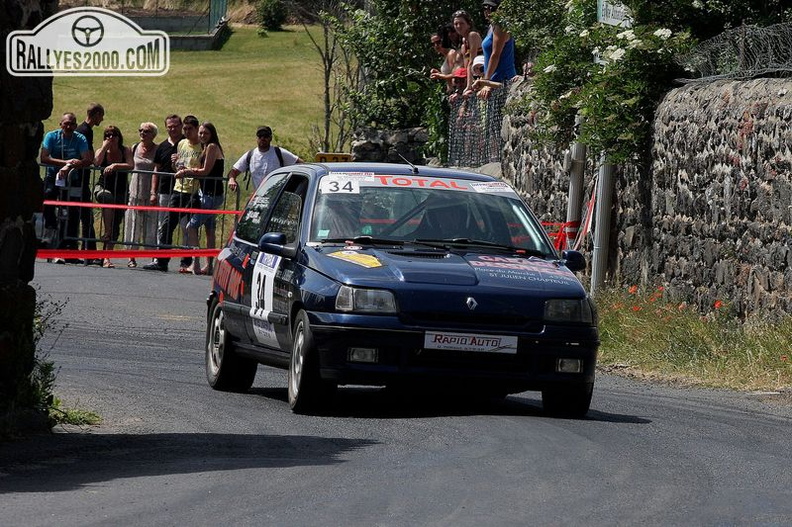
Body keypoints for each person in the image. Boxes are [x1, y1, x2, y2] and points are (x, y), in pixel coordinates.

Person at [144, 115, 202, 272]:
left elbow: (205, 168)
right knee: (166, 226)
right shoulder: (180, 144)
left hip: (194, 192)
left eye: (188, 128)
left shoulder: (202, 146)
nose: (185, 131)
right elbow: (176, 168)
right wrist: (175, 163)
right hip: (176, 190)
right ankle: (161, 261)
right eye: (186, 129)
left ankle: (186, 262)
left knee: (188, 227)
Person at [40, 112, 92, 264]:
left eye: (72, 124)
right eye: (66, 123)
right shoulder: (51, 136)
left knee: (72, 213)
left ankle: (70, 249)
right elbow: (44, 157)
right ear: (60, 124)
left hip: (72, 181)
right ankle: (50, 240)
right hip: (52, 179)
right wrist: (66, 163)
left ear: (76, 126)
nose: (69, 127)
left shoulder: (80, 138)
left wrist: (69, 165)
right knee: (48, 204)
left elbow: (87, 159)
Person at [178, 122, 225, 275]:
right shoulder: (206, 148)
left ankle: (196, 263)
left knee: (191, 227)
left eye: (206, 133)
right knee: (209, 229)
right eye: (201, 133)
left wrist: (186, 172)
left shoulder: (212, 147)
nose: (202, 136)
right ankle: (209, 265)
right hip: (206, 193)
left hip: (211, 195)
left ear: (212, 134)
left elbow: (205, 171)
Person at [93, 125, 133, 268]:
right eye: (108, 135)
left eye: (114, 135)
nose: (111, 138)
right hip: (103, 187)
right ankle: (107, 232)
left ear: (119, 137)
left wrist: (116, 165)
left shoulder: (125, 150)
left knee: (116, 224)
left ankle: (106, 256)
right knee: (106, 197)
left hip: (121, 190)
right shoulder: (101, 150)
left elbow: (130, 165)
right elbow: (96, 162)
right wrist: (104, 148)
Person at [227, 126, 303, 193]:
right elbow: (233, 172)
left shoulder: (279, 152)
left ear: (270, 138)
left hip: (277, 198)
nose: (263, 138)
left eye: (266, 136)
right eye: (260, 136)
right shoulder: (250, 155)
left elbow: (301, 165)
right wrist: (232, 179)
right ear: (256, 138)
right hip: (258, 197)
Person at [124, 122, 159, 268]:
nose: (143, 134)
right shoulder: (134, 148)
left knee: (151, 226)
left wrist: (153, 192)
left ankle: (152, 257)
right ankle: (130, 257)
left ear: (153, 135)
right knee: (133, 225)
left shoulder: (157, 150)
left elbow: (157, 170)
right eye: (141, 131)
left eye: (146, 131)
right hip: (135, 192)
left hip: (150, 194)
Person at [74, 102, 104, 264]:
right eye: (101, 115)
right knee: (85, 216)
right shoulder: (85, 131)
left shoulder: (85, 130)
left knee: (85, 217)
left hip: (81, 180)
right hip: (79, 180)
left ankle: (88, 251)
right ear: (96, 114)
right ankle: (89, 252)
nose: (103, 119)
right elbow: (89, 156)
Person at [151, 114, 185, 250]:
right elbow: (156, 170)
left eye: (176, 126)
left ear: (181, 126)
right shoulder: (162, 147)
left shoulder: (187, 144)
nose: (173, 129)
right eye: (170, 127)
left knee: (185, 226)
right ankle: (160, 257)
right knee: (162, 225)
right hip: (164, 191)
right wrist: (153, 191)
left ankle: (186, 260)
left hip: (183, 191)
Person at [477, 0, 516, 101]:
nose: (488, 11)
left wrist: (486, 81)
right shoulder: (492, 26)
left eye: (492, 8)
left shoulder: (500, 26)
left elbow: (495, 54)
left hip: (503, 79)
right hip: (493, 81)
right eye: (486, 7)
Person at [451, 10, 482, 97]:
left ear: (468, 24)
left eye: (461, 23)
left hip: (482, 74)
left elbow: (472, 61)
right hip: (474, 78)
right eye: (456, 24)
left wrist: (469, 87)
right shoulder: (464, 42)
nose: (458, 26)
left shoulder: (473, 35)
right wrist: (459, 91)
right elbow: (466, 66)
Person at [429, 25, 462, 93]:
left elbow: (455, 74)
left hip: (456, 91)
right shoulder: (446, 56)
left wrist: (439, 76)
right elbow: (449, 74)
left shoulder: (451, 53)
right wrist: (439, 73)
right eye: (433, 44)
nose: (436, 45)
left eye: (438, 42)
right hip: (451, 92)